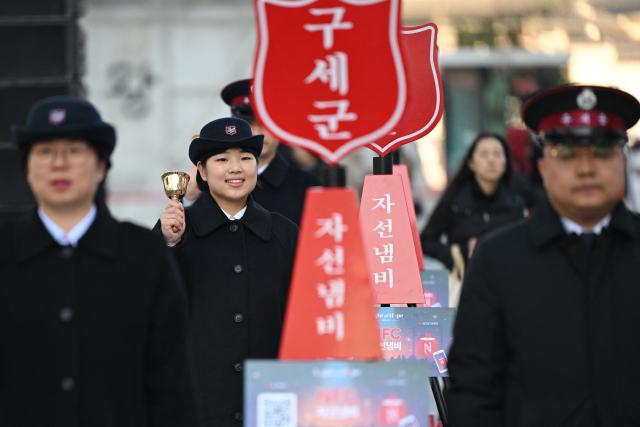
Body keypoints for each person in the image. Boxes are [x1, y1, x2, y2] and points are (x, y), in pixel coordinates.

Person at [446, 85, 640, 427]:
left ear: (623, 161)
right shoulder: (499, 259)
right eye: (566, 153)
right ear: (543, 167)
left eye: (601, 152)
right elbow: (473, 389)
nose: (585, 169)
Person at [0, 96, 198, 426]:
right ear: (27, 168)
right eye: (45, 152)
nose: (59, 164)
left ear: (101, 166)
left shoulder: (144, 255)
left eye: (75, 151)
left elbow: (172, 385)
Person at [158, 117, 298, 426]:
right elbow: (147, 308)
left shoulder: (284, 233)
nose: (236, 168)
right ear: (202, 172)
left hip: (272, 398)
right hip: (199, 401)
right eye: (222, 160)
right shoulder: (178, 233)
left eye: (246, 158)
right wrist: (165, 243)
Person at [420, 132, 526, 270]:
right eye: (484, 154)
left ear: (505, 162)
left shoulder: (515, 202)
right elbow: (425, 241)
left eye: (497, 154)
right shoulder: (455, 200)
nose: (491, 160)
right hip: (466, 281)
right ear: (471, 163)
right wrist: (460, 253)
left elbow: (524, 245)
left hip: (506, 281)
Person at [220, 78, 319, 225]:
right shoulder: (215, 183)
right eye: (250, 124)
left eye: (266, 123)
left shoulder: (307, 187)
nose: (259, 132)